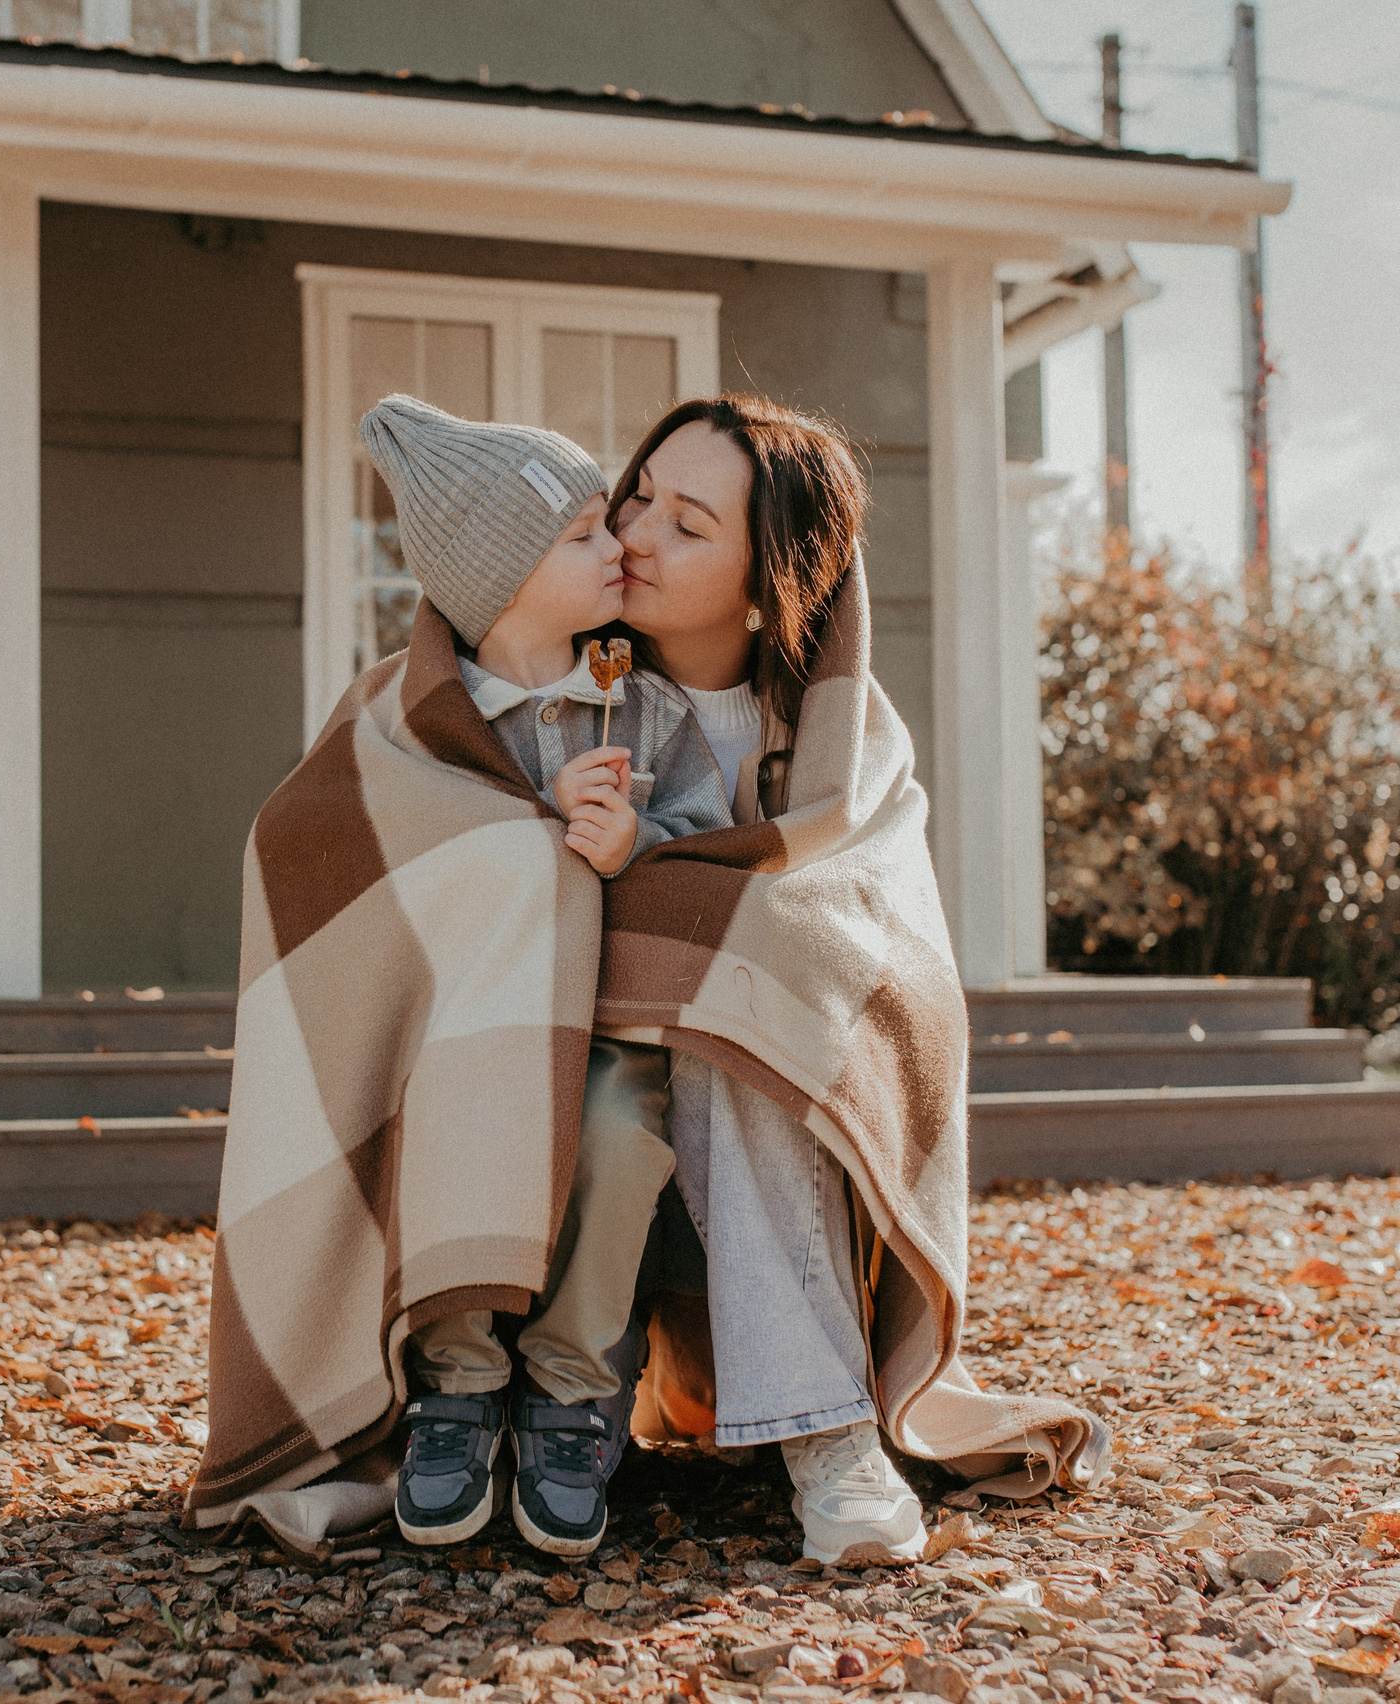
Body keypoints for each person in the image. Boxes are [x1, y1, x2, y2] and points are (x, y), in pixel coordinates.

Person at [593, 395, 1105, 1565]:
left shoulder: (842, 732)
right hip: (582, 1046)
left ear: (767, 581)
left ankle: (826, 1431)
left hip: (763, 1100)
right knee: (735, 986)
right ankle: (551, 1421)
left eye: (685, 522)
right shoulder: (571, 684)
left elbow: (876, 943)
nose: (633, 533)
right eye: (636, 496)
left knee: (752, 1002)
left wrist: (698, 919)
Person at [356, 396, 734, 1556]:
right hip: (462, 1028)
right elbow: (367, 860)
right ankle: (457, 1382)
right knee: (456, 1128)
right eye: (581, 535)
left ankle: (573, 1390)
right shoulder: (420, 716)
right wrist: (522, 835)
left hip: (605, 1026)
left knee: (622, 1135)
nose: (617, 542)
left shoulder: (643, 705)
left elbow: (705, 845)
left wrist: (634, 843)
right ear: (506, 580)